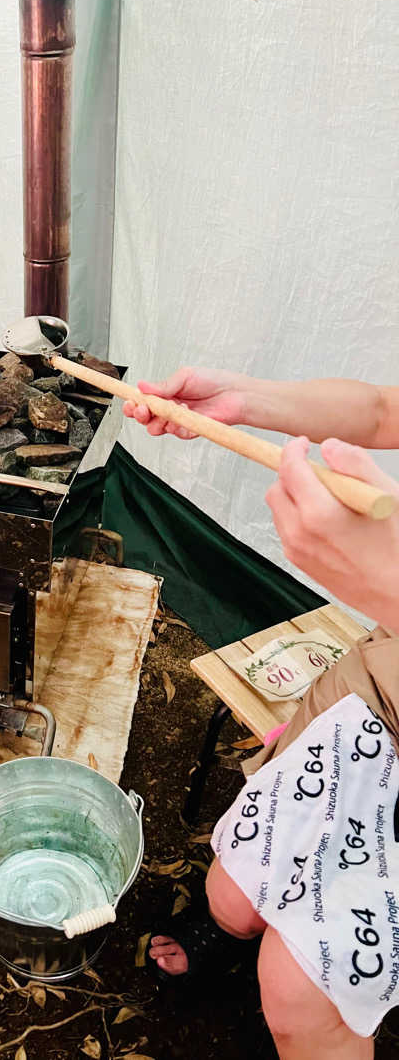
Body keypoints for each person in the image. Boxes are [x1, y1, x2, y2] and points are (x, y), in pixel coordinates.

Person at [124, 367, 399, 1060]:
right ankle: (224, 933)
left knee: (297, 989)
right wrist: (245, 402)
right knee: (240, 876)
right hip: (382, 675)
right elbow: (382, 408)